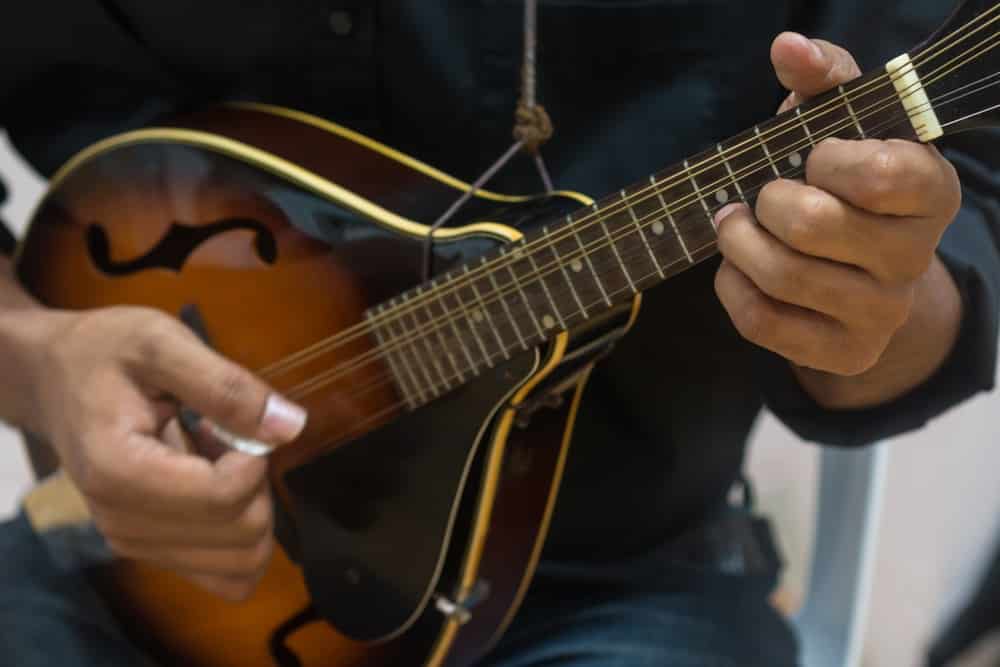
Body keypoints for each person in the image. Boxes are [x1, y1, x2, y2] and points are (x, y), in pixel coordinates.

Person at [0, 1, 998, 665]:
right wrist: (42, 364)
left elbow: (954, 236)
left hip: (614, 566)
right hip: (139, 556)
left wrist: (877, 304)